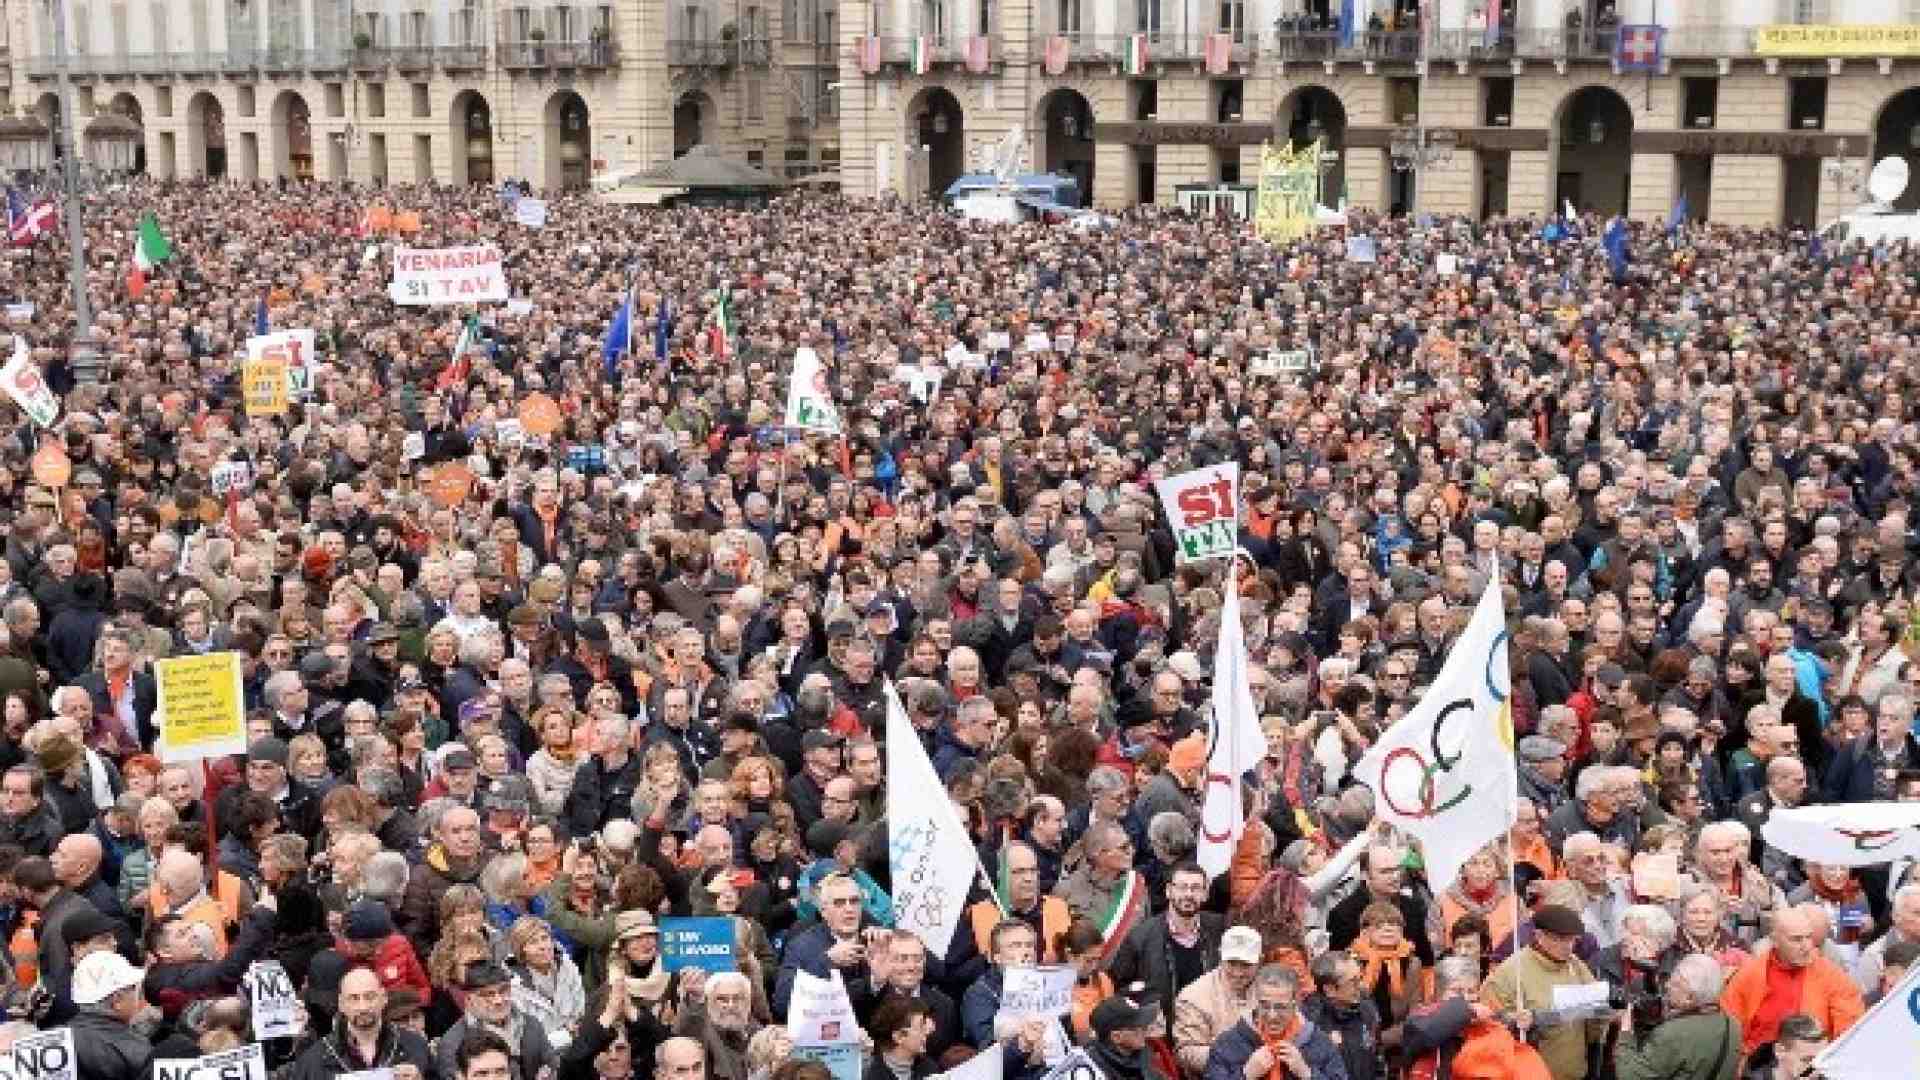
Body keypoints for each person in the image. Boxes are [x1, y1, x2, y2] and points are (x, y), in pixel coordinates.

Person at [1481, 904, 1611, 1080]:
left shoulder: (1575, 965)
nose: (1568, 946)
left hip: (1575, 1071)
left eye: (1573, 940)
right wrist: (1516, 1020)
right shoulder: (1511, 971)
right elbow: (1490, 1024)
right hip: (1531, 1073)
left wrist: (1607, 1010)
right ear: (1539, 936)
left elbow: (1596, 1009)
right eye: (1560, 939)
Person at [1721, 905, 1864, 1056]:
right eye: (1796, 939)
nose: (1806, 946)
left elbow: (1850, 1031)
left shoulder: (1832, 975)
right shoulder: (1749, 976)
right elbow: (1729, 1035)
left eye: (1809, 937)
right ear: (1775, 941)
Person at [1108, 861, 1226, 1029]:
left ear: (1205, 894)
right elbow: (1119, 988)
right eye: (1182, 887)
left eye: (1195, 888)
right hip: (1161, 1037)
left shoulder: (1219, 930)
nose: (1189, 894)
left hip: (1207, 1030)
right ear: (1168, 891)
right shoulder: (1140, 937)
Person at [1403, 956, 1551, 1080]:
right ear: (1439, 993)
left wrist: (1527, 1025)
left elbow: (1519, 1041)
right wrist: (1467, 1010)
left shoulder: (1488, 1020)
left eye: (1471, 991)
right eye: (1457, 991)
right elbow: (1427, 1034)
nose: (1466, 997)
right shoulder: (1420, 1019)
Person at [1202, 965, 1347, 1080]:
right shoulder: (1228, 1043)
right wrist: (1245, 1075)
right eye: (1264, 1006)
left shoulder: (1319, 1043)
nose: (1272, 1016)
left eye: (1280, 1007)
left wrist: (1307, 1074)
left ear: (1296, 1003)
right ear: (1256, 1001)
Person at [290, 966, 436, 1080]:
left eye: (369, 997)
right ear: (341, 1004)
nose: (363, 1006)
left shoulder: (416, 1046)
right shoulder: (314, 1060)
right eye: (354, 998)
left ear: (383, 998)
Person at [1614, 954, 1741, 1080]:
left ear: (1689, 998)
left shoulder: (1672, 1034)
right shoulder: (1733, 1025)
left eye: (1675, 984)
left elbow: (1629, 1075)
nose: (1667, 986)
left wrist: (1626, 1032)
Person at [1173, 925, 1263, 1075]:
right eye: (1232, 963)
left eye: (1246, 965)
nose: (1238, 972)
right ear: (1220, 955)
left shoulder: (1272, 990)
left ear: (1260, 960)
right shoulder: (1193, 996)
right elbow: (1185, 1052)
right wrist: (1239, 1057)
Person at [69, 950, 154, 1080]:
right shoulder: (136, 1051)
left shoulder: (54, 1042)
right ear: (117, 1000)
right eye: (136, 989)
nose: (139, 996)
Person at [865, 996, 939, 1080]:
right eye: (921, 1026)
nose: (927, 1031)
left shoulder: (930, 1069)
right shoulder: (870, 1074)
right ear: (899, 1037)